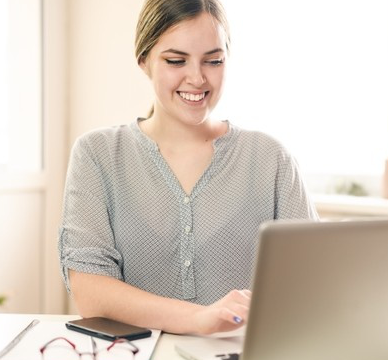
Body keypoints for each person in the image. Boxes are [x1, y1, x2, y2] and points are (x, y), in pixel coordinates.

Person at [58, 0, 317, 335]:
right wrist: (197, 319)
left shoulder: (271, 159)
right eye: (176, 60)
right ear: (144, 61)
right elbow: (92, 293)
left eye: (213, 60)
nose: (197, 78)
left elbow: (312, 281)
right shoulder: (97, 154)